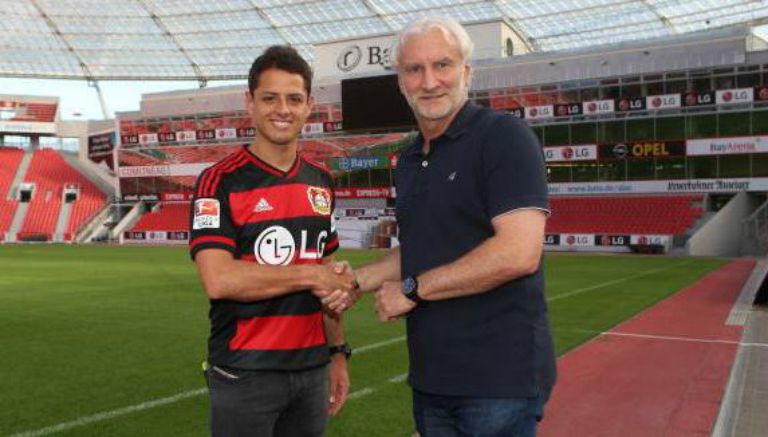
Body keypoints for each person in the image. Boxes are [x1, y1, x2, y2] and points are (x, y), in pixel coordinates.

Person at [353, 17, 557, 436]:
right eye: (414, 69)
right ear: (400, 82)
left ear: (466, 71)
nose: (429, 82)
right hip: (432, 380)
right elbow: (424, 247)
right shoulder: (410, 160)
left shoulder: (504, 137)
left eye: (442, 65)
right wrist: (358, 280)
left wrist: (412, 290)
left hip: (498, 383)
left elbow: (519, 252)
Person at [189, 45, 357, 437]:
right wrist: (310, 276)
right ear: (250, 103)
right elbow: (219, 279)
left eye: (294, 99)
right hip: (246, 373)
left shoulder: (321, 180)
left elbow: (328, 277)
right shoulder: (220, 181)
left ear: (309, 105)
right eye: (270, 98)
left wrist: (337, 354)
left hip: (312, 372)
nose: (282, 109)